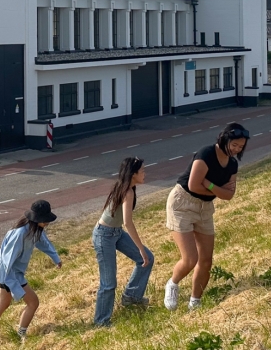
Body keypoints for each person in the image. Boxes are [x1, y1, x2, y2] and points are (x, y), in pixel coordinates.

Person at [164, 123, 248, 312]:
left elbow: (229, 195)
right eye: (234, 145)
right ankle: (172, 284)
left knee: (206, 260)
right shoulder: (206, 154)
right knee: (190, 258)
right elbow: (193, 185)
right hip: (182, 203)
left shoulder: (233, 164)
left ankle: (195, 302)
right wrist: (218, 189)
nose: (237, 150)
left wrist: (209, 185)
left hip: (205, 207)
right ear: (224, 139)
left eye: (241, 147)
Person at [0, 200, 62, 346]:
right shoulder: (20, 233)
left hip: (14, 274)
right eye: (46, 219)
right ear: (38, 219)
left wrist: (55, 258)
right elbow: (6, 260)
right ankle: (20, 333)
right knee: (33, 302)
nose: (48, 221)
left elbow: (43, 242)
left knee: (2, 305)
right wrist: (11, 283)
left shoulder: (34, 230)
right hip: (9, 274)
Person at [92, 157, 154, 326]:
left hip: (116, 233)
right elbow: (128, 222)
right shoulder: (127, 191)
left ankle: (131, 297)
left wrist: (142, 251)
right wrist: (140, 248)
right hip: (104, 236)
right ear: (133, 174)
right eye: (142, 171)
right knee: (109, 283)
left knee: (147, 259)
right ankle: (101, 322)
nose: (144, 173)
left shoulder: (129, 188)